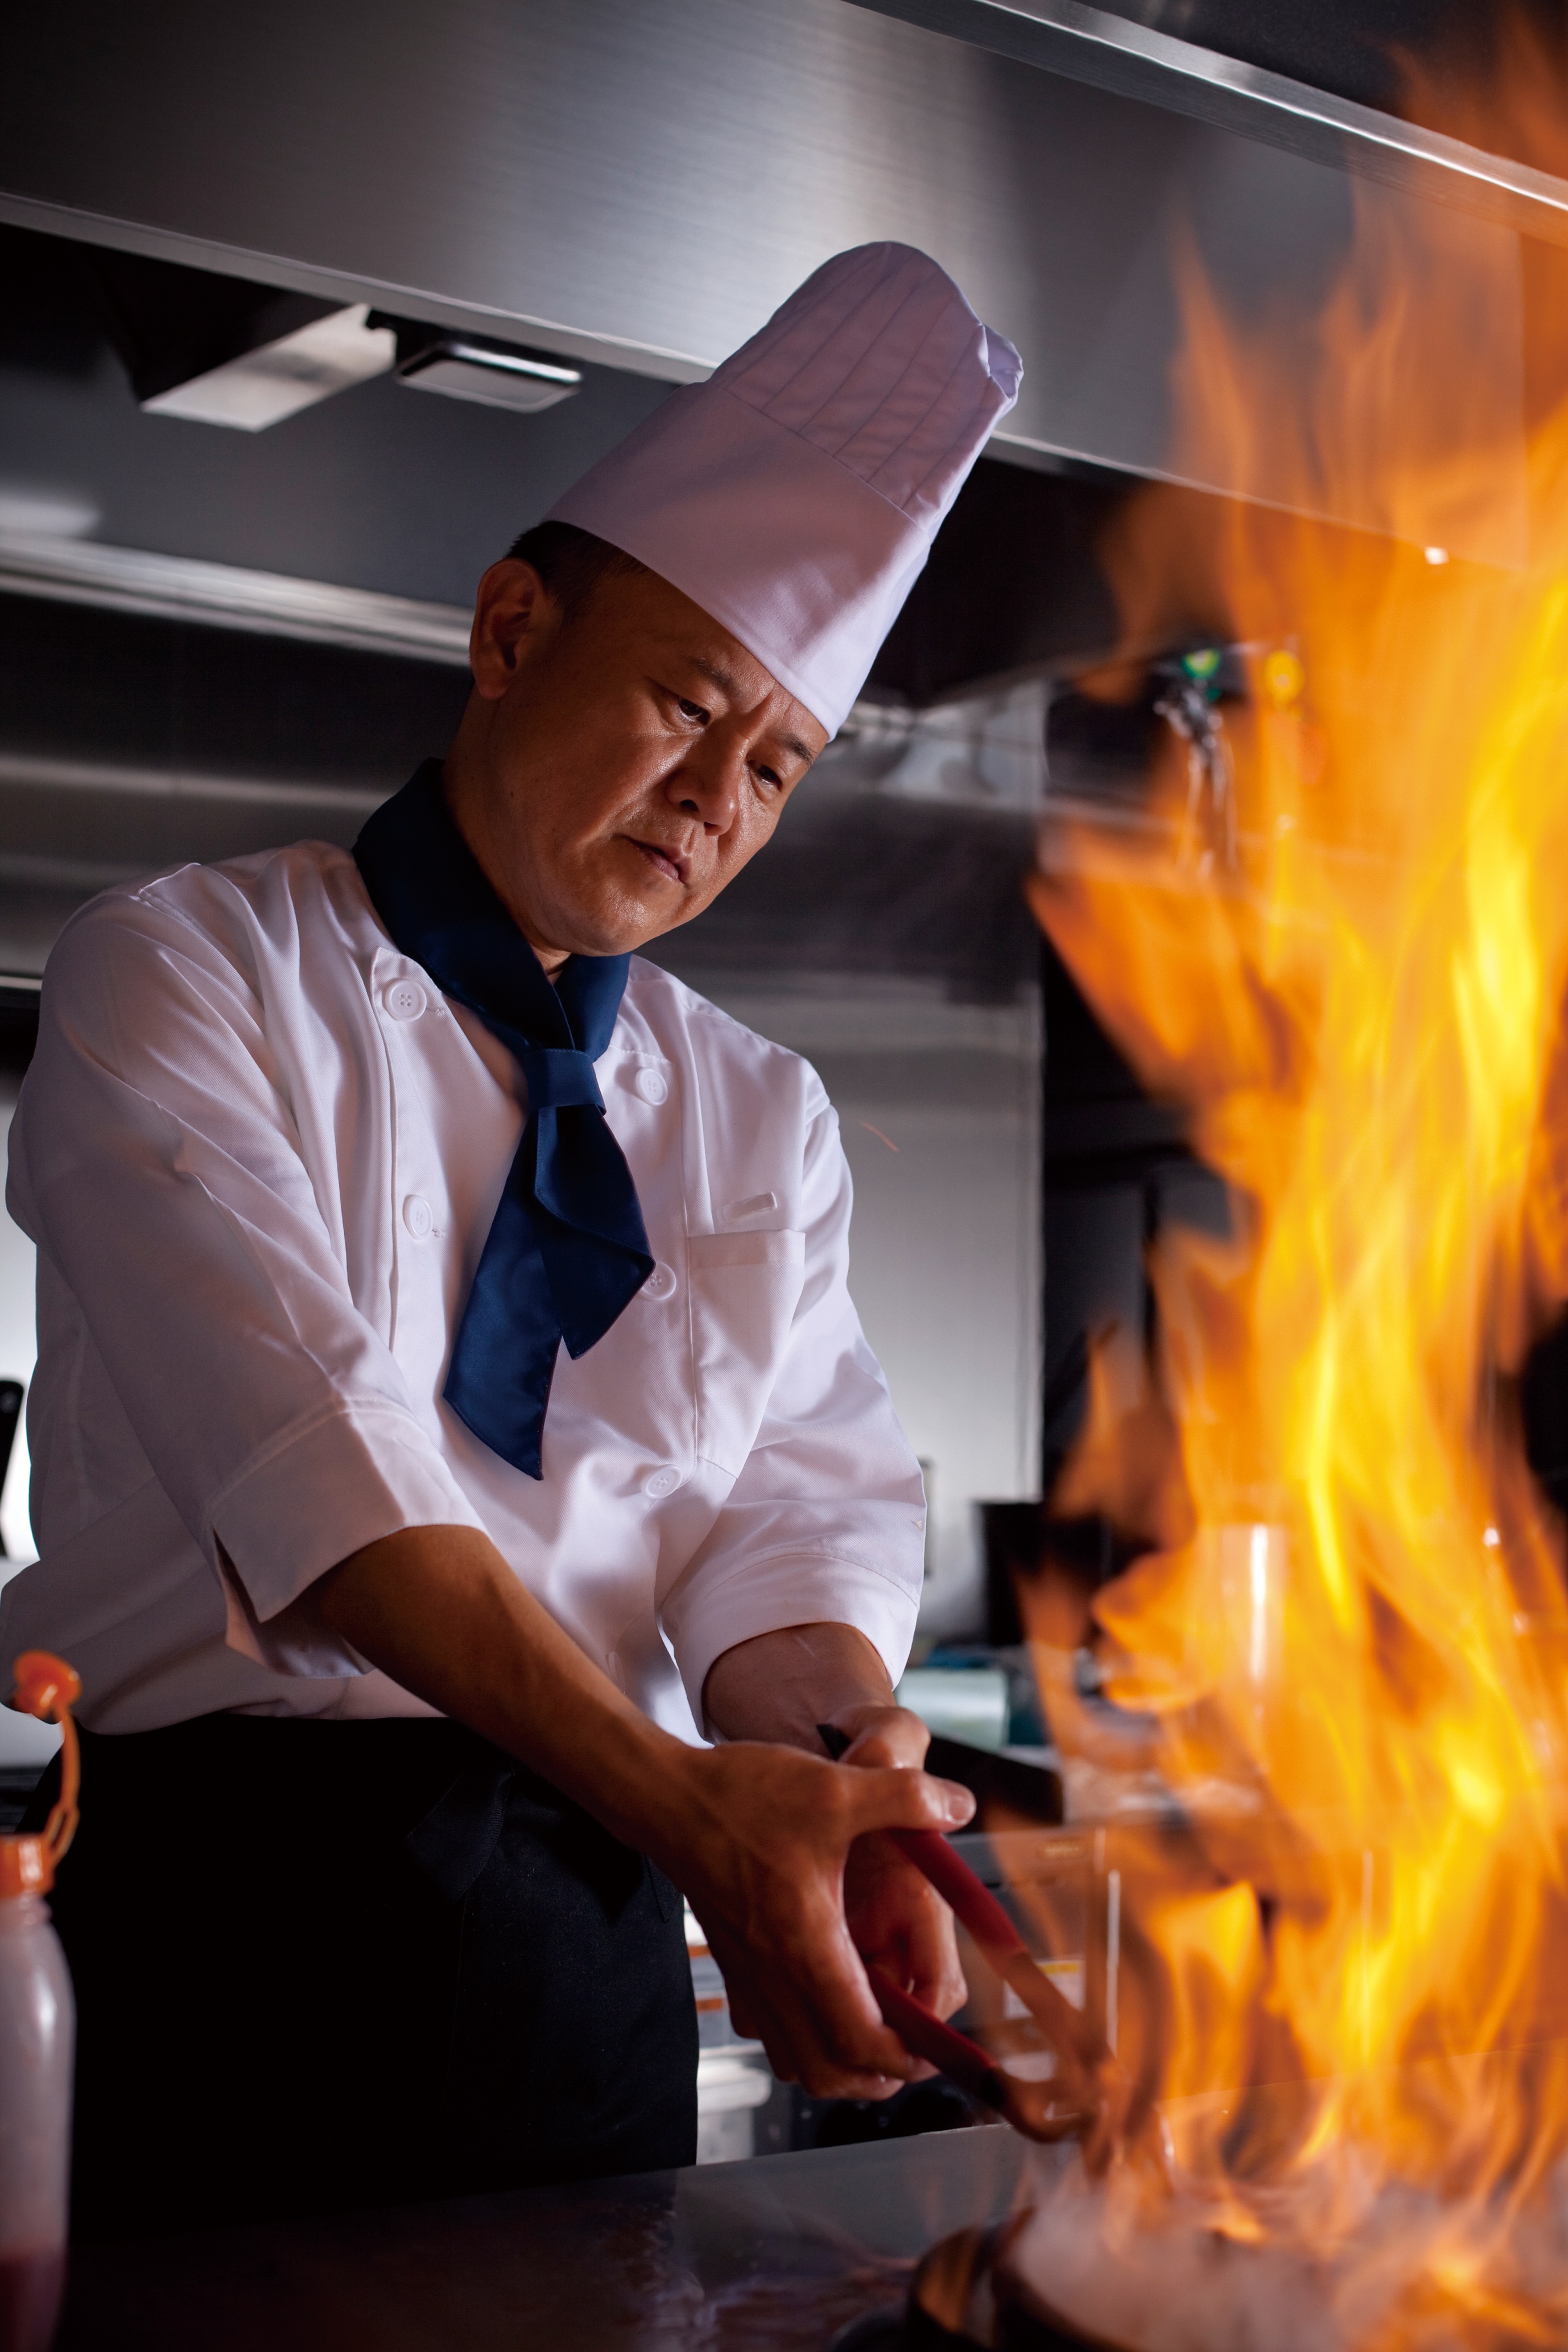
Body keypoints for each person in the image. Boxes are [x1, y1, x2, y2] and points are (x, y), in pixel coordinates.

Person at [1, 243, 1022, 2237]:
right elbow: (326, 1482)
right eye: (681, 705)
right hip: (232, 1932)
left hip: (589, 1952)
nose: (714, 802)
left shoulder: (759, 1108)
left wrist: (832, 1771)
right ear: (508, 630)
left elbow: (792, 1527)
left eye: (776, 769)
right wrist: (692, 1806)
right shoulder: (185, 972)